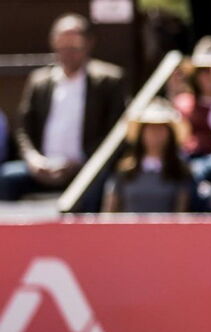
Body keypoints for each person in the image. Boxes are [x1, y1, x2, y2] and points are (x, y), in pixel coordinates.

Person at [0, 14, 125, 204]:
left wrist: (80, 162)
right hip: (41, 168)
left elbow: (115, 132)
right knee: (8, 178)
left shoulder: (108, 80)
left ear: (88, 44)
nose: (67, 53)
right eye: (62, 47)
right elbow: (23, 128)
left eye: (73, 47)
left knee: (102, 184)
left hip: (86, 169)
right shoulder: (39, 81)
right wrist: (33, 159)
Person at [102, 99, 191, 213]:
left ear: (170, 134)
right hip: (128, 230)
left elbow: (181, 213)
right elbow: (109, 212)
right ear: (142, 133)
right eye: (150, 128)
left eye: (160, 128)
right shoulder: (124, 171)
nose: (155, 134)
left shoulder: (179, 171)